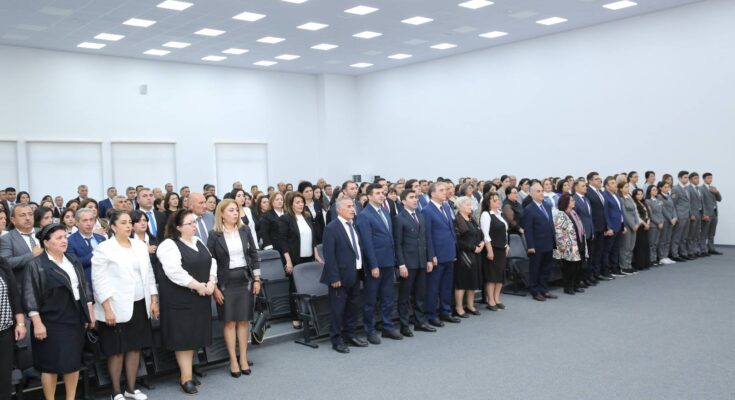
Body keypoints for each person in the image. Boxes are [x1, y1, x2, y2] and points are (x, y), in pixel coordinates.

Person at [22, 223, 95, 400]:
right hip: (51, 320)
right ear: (46, 242)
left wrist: (89, 313)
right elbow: (30, 296)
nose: (64, 241)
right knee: (50, 365)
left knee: (73, 362)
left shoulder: (72, 259)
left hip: (75, 316)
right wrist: (37, 323)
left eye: (65, 237)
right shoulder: (37, 264)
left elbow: (84, 287)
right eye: (59, 238)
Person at [92, 211, 159, 400]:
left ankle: (131, 388)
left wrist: (154, 300)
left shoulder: (139, 245)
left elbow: (149, 274)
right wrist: (107, 309)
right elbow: (99, 281)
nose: (128, 225)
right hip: (115, 307)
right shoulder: (104, 248)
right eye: (123, 222)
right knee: (117, 351)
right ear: (113, 227)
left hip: (139, 304)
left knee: (135, 348)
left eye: (130, 222)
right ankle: (115, 391)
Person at [156, 209, 216, 395]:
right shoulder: (168, 245)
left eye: (194, 222)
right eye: (189, 223)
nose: (194, 226)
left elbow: (212, 261)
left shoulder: (197, 241)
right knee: (183, 339)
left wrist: (212, 281)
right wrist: (198, 286)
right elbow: (174, 272)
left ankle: (188, 371)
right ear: (178, 227)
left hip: (199, 297)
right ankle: (186, 378)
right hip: (180, 300)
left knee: (194, 336)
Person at [207, 199, 261, 377]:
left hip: (244, 280)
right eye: (231, 210)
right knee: (229, 321)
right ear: (221, 214)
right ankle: (233, 359)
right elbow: (210, 262)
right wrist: (214, 287)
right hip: (225, 282)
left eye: (236, 210)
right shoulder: (214, 235)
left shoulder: (245, 230)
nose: (235, 213)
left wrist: (257, 279)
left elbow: (254, 254)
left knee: (244, 321)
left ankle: (243, 358)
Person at [320, 198, 367, 353]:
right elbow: (329, 255)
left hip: (355, 273)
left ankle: (350, 335)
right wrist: (334, 277)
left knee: (353, 307)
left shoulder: (354, 225)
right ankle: (336, 339)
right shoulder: (331, 228)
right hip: (339, 276)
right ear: (339, 210)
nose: (353, 209)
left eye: (353, 206)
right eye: (348, 206)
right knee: (338, 310)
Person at [355, 183, 400, 344]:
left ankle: (387, 327)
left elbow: (389, 237)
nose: (382, 195)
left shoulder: (385, 211)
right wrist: (373, 265)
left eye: (382, 193)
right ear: (369, 196)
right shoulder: (364, 215)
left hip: (388, 261)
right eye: (378, 193)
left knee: (388, 297)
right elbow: (367, 244)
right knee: (371, 299)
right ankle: (370, 330)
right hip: (375, 265)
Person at [393, 190, 435, 335]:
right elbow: (398, 244)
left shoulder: (420, 215)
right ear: (403, 201)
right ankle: (404, 325)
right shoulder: (399, 218)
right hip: (408, 264)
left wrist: (429, 259)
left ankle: (420, 322)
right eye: (411, 197)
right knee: (404, 296)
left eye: (416, 197)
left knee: (420, 295)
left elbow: (426, 239)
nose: (415, 200)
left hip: (421, 261)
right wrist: (401, 264)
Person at [278, 192, 322, 329]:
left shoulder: (307, 217)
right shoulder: (285, 219)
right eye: (297, 202)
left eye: (302, 202)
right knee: (295, 288)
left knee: (309, 287)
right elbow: (283, 242)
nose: (301, 204)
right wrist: (288, 261)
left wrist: (317, 255)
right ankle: (296, 317)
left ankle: (309, 314)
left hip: (309, 257)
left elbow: (313, 239)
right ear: (291, 204)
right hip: (294, 259)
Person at [422, 182, 460, 325]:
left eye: (446, 190)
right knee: (433, 287)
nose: (445, 192)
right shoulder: (427, 210)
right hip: (437, 255)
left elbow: (450, 230)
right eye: (441, 190)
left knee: (446, 286)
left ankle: (445, 311)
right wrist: (431, 255)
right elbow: (427, 235)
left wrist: (454, 250)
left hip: (449, 253)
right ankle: (431, 315)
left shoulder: (446, 206)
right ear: (432, 193)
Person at [522, 182, 557, 301]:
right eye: (538, 191)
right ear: (532, 194)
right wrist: (530, 246)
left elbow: (550, 223)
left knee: (546, 268)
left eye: (542, 191)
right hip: (536, 245)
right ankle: (535, 291)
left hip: (548, 242)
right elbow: (528, 229)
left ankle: (544, 289)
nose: (541, 193)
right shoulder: (529, 209)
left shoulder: (547, 205)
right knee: (535, 269)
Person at [0, 257, 27, 400]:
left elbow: (15, 295)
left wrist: (20, 323)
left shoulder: (2, 263)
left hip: (4, 331)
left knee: (4, 379)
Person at [453, 196, 482, 317]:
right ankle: (459, 308)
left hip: (476, 254)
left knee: (472, 281)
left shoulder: (472, 219)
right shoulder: (456, 220)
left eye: (471, 204)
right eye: (468, 205)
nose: (471, 207)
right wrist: (473, 248)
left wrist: (481, 243)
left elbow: (479, 233)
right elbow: (458, 241)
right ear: (460, 207)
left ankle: (470, 305)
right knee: (462, 282)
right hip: (464, 255)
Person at [553, 193, 587, 295]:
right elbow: (559, 232)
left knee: (578, 266)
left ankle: (576, 284)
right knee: (569, 268)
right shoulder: (561, 215)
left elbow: (580, 227)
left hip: (578, 243)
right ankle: (568, 287)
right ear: (566, 202)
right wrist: (562, 246)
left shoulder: (573, 213)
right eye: (572, 200)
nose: (574, 202)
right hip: (567, 246)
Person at [1, 204, 43, 283]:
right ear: (13, 220)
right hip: (24, 285)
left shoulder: (43, 232)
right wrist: (32, 255)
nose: (28, 218)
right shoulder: (6, 239)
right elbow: (6, 263)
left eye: (30, 214)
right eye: (22, 215)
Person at [481, 192, 508, 310]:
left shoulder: (500, 213)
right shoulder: (486, 214)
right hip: (493, 248)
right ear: (488, 202)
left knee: (500, 276)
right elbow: (486, 234)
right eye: (494, 200)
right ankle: (490, 301)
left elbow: (505, 232)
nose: (498, 202)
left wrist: (507, 245)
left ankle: (497, 299)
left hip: (502, 248)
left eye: (498, 199)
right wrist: (489, 251)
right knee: (492, 276)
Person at [66, 208, 107, 284]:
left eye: (91, 220)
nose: (89, 223)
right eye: (85, 220)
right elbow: (75, 264)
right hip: (85, 284)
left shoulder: (102, 239)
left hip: (104, 282)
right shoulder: (70, 241)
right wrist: (96, 252)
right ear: (77, 222)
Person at [602, 176, 625, 277]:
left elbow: (620, 211)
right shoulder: (605, 196)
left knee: (616, 249)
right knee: (608, 250)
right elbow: (606, 213)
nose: (615, 185)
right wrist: (609, 227)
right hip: (611, 227)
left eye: (615, 183)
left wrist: (623, 225)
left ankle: (615, 268)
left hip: (619, 226)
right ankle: (607, 270)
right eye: (612, 183)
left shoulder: (616, 195)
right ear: (606, 186)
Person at [131, 210, 162, 282]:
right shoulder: (128, 242)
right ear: (132, 225)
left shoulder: (155, 240)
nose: (143, 223)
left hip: (155, 280)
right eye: (138, 221)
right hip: (136, 280)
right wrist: (145, 250)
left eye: (144, 220)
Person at [670, 171, 691, 261]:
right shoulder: (675, 189)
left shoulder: (687, 188)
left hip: (687, 215)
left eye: (687, 177)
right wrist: (675, 216)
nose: (687, 179)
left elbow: (688, 203)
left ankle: (683, 253)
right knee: (677, 236)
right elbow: (673, 204)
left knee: (684, 236)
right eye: (685, 177)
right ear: (679, 178)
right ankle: (674, 254)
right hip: (680, 215)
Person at [619, 182, 639, 274]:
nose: (627, 189)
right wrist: (632, 225)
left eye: (628, 187)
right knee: (625, 247)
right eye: (626, 187)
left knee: (631, 246)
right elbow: (624, 214)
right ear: (621, 189)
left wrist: (637, 223)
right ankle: (624, 266)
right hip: (628, 225)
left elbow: (635, 212)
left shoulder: (629, 197)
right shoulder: (621, 199)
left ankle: (629, 264)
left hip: (634, 225)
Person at [701, 173, 722, 255]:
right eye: (708, 178)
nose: (710, 179)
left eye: (711, 178)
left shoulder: (713, 188)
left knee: (712, 232)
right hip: (707, 214)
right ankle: (703, 249)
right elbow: (701, 202)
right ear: (704, 179)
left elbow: (719, 199)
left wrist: (716, 192)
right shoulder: (701, 189)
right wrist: (704, 214)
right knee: (704, 232)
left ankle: (711, 248)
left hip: (714, 213)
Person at [657, 182, 677, 265]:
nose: (667, 189)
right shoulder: (659, 197)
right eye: (665, 187)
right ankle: (661, 257)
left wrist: (675, 217)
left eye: (668, 187)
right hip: (665, 220)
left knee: (668, 239)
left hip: (671, 221)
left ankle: (666, 255)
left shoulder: (669, 196)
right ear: (660, 188)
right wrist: (670, 219)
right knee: (663, 239)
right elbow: (663, 209)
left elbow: (673, 207)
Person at [631, 189, 651, 270]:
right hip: (640, 226)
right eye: (638, 194)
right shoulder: (634, 203)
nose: (640, 196)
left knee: (645, 245)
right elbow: (637, 216)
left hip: (646, 226)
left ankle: (646, 263)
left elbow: (648, 214)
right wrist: (644, 223)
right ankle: (639, 264)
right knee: (639, 246)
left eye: (641, 194)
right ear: (634, 195)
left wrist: (648, 223)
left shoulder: (644, 203)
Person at [686, 172, 705, 258]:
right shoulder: (688, 189)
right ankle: (690, 251)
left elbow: (702, 202)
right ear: (690, 180)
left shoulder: (699, 189)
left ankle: (696, 250)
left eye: (698, 178)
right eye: (695, 178)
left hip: (699, 214)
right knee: (691, 234)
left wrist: (703, 213)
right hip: (693, 215)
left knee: (697, 233)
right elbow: (688, 203)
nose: (697, 180)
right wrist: (691, 214)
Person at [645, 185, 664, 266]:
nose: (655, 191)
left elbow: (661, 212)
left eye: (656, 190)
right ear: (649, 191)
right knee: (651, 243)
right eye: (653, 190)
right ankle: (651, 259)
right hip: (653, 224)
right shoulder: (648, 201)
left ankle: (655, 258)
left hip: (660, 223)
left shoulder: (658, 200)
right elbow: (650, 214)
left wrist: (662, 222)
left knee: (656, 243)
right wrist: (658, 223)